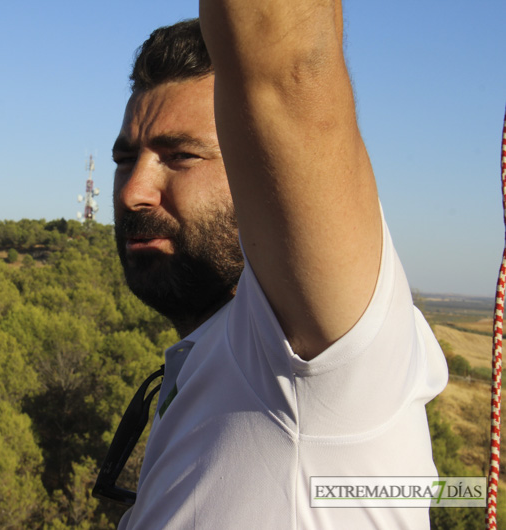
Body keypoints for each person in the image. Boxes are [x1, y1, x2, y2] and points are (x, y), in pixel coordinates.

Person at [105, 1, 448, 527]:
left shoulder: (315, 362)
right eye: (126, 159)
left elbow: (287, 64)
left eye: (181, 156)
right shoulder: (207, 361)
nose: (133, 192)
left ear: (266, 171)